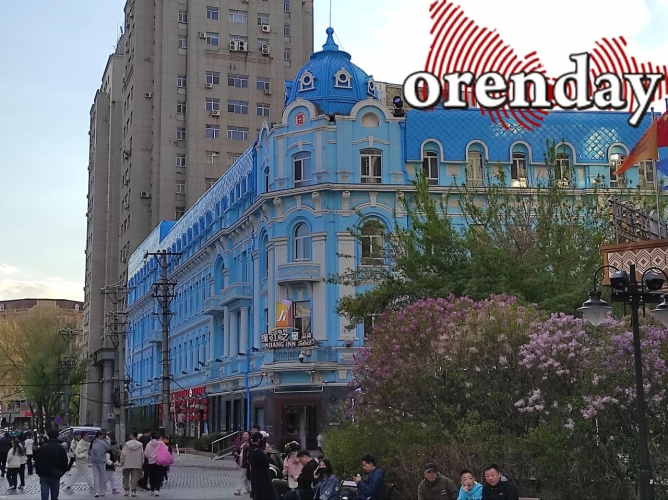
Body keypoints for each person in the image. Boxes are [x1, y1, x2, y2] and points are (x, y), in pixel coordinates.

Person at [33, 429, 68, 500]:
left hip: (44, 474)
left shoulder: (43, 448)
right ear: (57, 436)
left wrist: (39, 472)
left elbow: (37, 461)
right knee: (54, 495)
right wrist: (61, 472)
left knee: (44, 496)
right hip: (55, 474)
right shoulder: (60, 448)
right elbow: (64, 462)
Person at [247, 431, 274, 500]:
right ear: (259, 439)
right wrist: (268, 454)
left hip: (254, 475)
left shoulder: (251, 450)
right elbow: (265, 462)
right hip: (261, 477)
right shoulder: (257, 451)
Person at [144, 432, 168, 496]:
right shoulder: (160, 443)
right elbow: (166, 449)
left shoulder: (148, 444)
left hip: (151, 462)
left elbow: (146, 454)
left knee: (152, 476)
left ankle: (152, 489)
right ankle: (157, 489)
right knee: (159, 475)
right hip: (159, 461)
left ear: (151, 437)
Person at [120, 431, 144, 497]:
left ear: (132, 436)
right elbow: (142, 454)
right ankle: (133, 491)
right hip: (137, 463)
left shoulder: (127, 444)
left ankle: (126, 490)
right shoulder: (140, 445)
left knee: (126, 476)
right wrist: (142, 462)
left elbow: (123, 453)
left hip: (127, 462)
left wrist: (121, 461)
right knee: (134, 477)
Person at [90, 430, 111, 497]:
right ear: (99, 436)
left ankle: (96, 491)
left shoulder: (93, 442)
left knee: (95, 476)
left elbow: (89, 451)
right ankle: (102, 491)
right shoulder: (102, 442)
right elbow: (108, 447)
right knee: (102, 476)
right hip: (101, 461)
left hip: (94, 461)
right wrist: (107, 439)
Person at [232, 430, 251, 496]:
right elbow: (236, 448)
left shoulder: (249, 444)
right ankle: (248, 489)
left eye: (246, 435)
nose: (244, 436)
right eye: (243, 434)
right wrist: (235, 452)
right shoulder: (241, 442)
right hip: (241, 461)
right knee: (246, 477)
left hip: (246, 462)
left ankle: (238, 490)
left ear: (249, 436)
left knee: (242, 476)